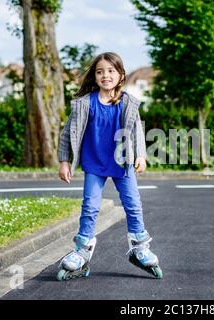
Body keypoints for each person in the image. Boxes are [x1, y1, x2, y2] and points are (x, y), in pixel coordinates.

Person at [56, 52, 162, 281]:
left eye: (111, 71)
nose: (106, 75)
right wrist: (64, 162)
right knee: (90, 207)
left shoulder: (128, 103)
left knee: (133, 205)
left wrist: (141, 156)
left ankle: (140, 247)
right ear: (94, 77)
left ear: (121, 75)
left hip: (122, 164)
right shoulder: (85, 104)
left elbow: (137, 132)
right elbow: (67, 135)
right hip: (94, 164)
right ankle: (82, 250)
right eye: (100, 71)